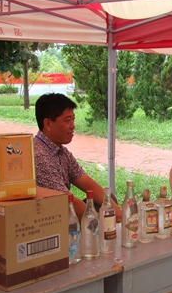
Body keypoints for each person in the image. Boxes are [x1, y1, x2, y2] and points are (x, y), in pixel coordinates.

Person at [34, 93, 121, 222]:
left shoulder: (61, 151)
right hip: (49, 221)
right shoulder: (39, 155)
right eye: (67, 120)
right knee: (103, 214)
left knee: (108, 200)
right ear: (48, 124)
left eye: (73, 119)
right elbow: (65, 201)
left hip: (63, 211)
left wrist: (117, 212)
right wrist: (104, 221)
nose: (73, 125)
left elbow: (87, 183)